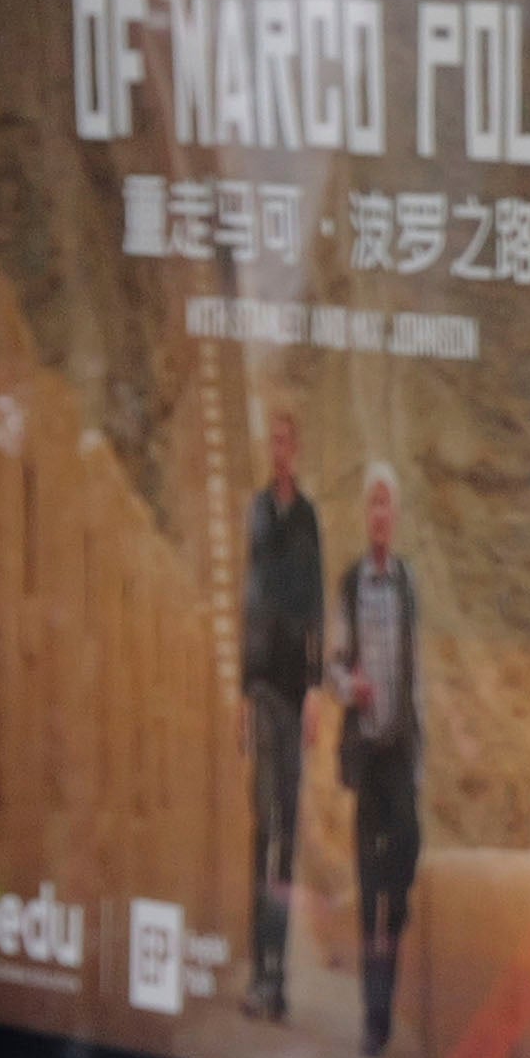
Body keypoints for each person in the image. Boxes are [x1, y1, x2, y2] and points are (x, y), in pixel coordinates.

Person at [234, 403, 321, 1013]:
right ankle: (259, 969)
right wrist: (241, 690)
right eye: (275, 440)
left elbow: (314, 604)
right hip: (263, 688)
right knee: (265, 823)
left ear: (298, 448)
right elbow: (249, 596)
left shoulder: (308, 517)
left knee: (286, 833)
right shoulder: (257, 512)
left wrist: (315, 687)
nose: (280, 448)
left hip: (294, 690)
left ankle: (277, 977)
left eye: (288, 440)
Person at [334, 466, 423, 1058]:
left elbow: (418, 677)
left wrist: (423, 754)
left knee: (402, 877)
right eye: (372, 504)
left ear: (397, 514)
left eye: (387, 504)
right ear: (365, 516)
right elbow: (335, 663)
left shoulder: (409, 584)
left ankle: (396, 928)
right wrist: (350, 685)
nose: (380, 515)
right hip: (368, 755)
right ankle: (375, 1017)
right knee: (370, 893)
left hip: (402, 754)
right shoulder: (350, 585)